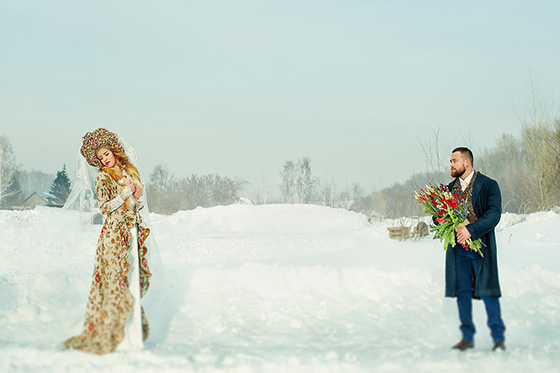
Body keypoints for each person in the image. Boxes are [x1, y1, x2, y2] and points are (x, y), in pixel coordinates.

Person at [64, 128, 152, 354]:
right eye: (101, 157)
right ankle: (114, 335)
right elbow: (104, 208)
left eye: (107, 153)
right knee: (116, 283)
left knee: (131, 279)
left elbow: (138, 207)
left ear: (113, 150)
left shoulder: (129, 172)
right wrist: (123, 195)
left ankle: (132, 337)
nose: (105, 158)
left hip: (131, 232)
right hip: (114, 235)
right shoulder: (103, 177)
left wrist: (138, 197)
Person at [445, 147, 506, 352]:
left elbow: (494, 214)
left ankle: (498, 339)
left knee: (488, 292)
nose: (451, 165)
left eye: (454, 161)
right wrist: (442, 219)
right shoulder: (448, 189)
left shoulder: (489, 185)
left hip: (482, 248)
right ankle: (467, 338)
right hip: (458, 251)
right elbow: (437, 215)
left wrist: (471, 230)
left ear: (467, 163)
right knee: (462, 292)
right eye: (451, 161)